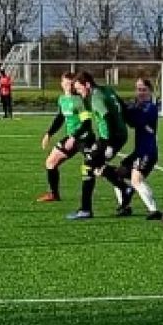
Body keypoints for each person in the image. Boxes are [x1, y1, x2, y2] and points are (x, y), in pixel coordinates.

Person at [66, 71, 133, 220]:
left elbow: (107, 116)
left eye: (79, 88)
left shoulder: (96, 98)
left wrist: (108, 144)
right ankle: (125, 188)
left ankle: (85, 209)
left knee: (87, 167)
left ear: (87, 85)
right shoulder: (107, 90)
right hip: (116, 135)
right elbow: (122, 105)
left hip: (109, 137)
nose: (78, 92)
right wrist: (128, 122)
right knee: (97, 168)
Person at [38, 73, 94, 202]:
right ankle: (53, 194)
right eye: (66, 83)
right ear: (61, 83)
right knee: (50, 163)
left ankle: (123, 187)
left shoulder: (80, 100)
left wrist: (74, 137)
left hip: (84, 138)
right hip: (71, 138)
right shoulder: (62, 99)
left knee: (96, 169)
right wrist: (49, 133)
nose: (68, 86)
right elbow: (60, 118)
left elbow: (87, 124)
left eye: (71, 83)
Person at [113, 77, 162, 220]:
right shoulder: (137, 106)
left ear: (150, 91)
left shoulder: (150, 107)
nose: (140, 92)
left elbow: (137, 120)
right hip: (139, 152)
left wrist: (122, 105)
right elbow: (131, 120)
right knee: (117, 175)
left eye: (143, 90)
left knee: (136, 180)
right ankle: (124, 206)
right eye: (138, 89)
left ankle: (154, 210)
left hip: (148, 152)